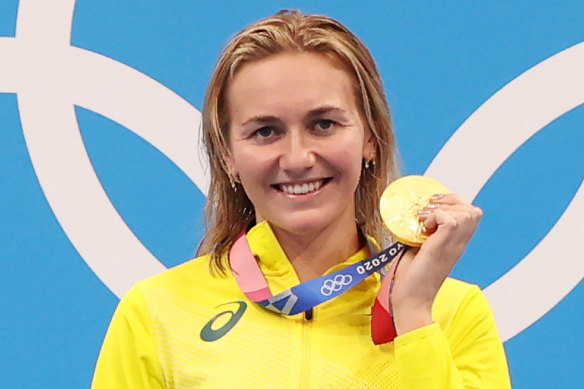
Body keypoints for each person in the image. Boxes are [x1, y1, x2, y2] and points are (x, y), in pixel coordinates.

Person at [92, 10, 511, 388]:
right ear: (227, 155)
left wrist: (415, 315)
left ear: (370, 138)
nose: (297, 158)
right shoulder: (158, 313)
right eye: (265, 131)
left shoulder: (455, 313)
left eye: (324, 124)